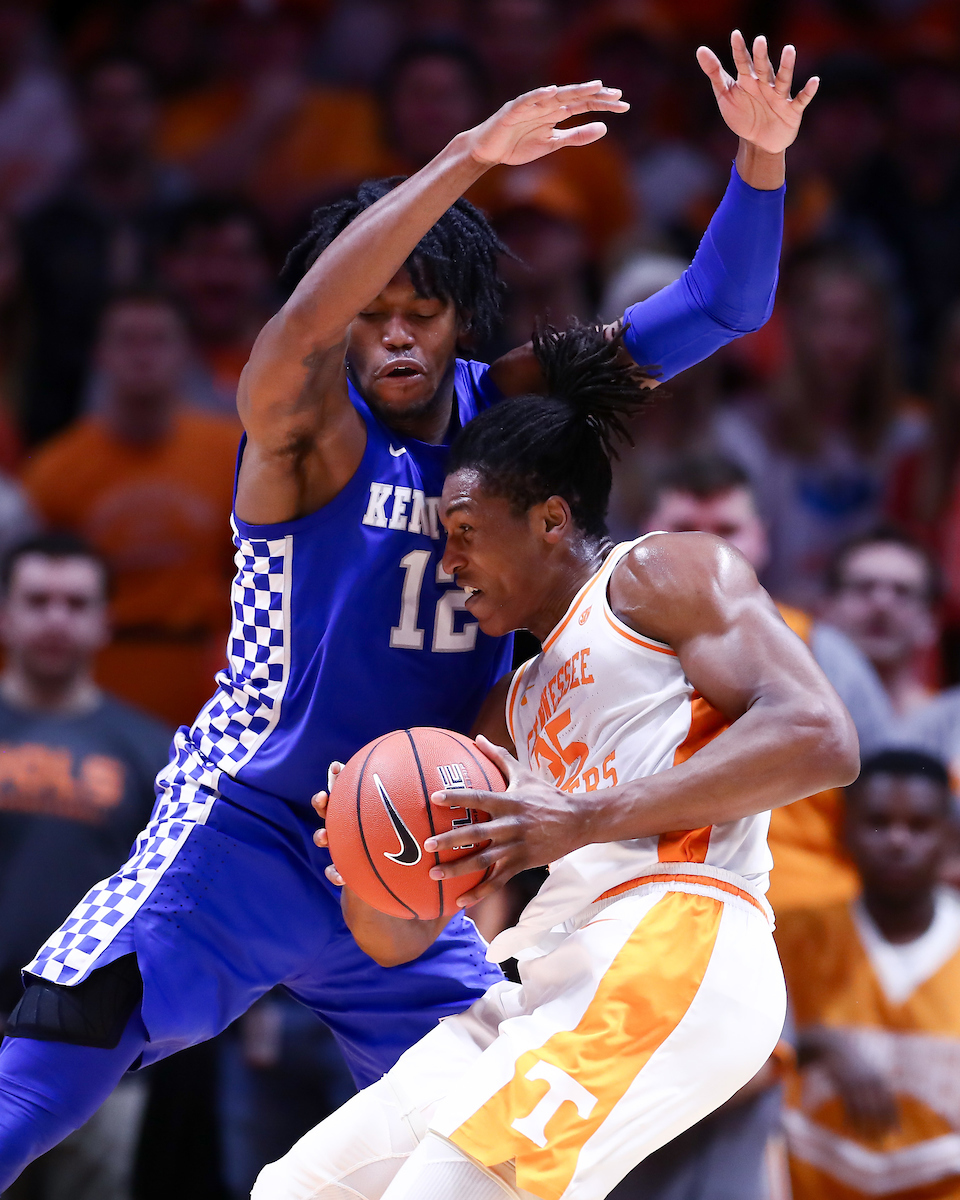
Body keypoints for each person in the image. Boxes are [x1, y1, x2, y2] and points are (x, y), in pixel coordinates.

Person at [0, 34, 811, 1189]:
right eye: (373, 308)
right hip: (252, 821)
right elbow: (299, 327)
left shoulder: (507, 410)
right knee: (56, 1049)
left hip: (405, 848)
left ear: (460, 320)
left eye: (422, 312)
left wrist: (762, 160)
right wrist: (472, 153)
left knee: (485, 1145)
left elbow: (722, 304)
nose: (394, 334)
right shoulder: (301, 414)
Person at [257, 322, 857, 1199]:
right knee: (295, 1189)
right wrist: (365, 859)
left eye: (462, 530)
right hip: (539, 975)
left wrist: (583, 819)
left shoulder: (655, 577)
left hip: (679, 936)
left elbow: (821, 738)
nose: (447, 559)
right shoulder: (506, 708)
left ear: (549, 519)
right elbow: (401, 936)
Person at [0, 532, 170, 1200]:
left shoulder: (153, 751)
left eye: (75, 603)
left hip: (97, 1041)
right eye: (37, 600)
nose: (55, 618)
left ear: (105, 622)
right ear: (5, 613)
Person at [20, 289, 239, 730]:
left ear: (185, 354)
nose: (143, 355)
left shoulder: (231, 452)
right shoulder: (53, 470)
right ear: (100, 355)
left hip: (206, 673)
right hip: (92, 673)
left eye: (158, 339)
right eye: (128, 340)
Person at [776, 749, 960, 1200]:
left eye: (919, 826)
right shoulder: (787, 937)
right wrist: (816, 1043)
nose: (898, 840)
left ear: (951, 840)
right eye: (878, 822)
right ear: (842, 832)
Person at [18, 53, 191, 445]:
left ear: (154, 113)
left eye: (130, 102)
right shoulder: (45, 226)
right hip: (55, 415)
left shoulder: (185, 219)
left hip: (179, 407)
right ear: (79, 115)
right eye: (103, 103)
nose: (116, 118)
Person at [822, 528, 940, 719]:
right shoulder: (794, 717)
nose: (882, 604)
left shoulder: (950, 728)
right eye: (863, 588)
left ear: (929, 621)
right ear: (827, 609)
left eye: (902, 591)